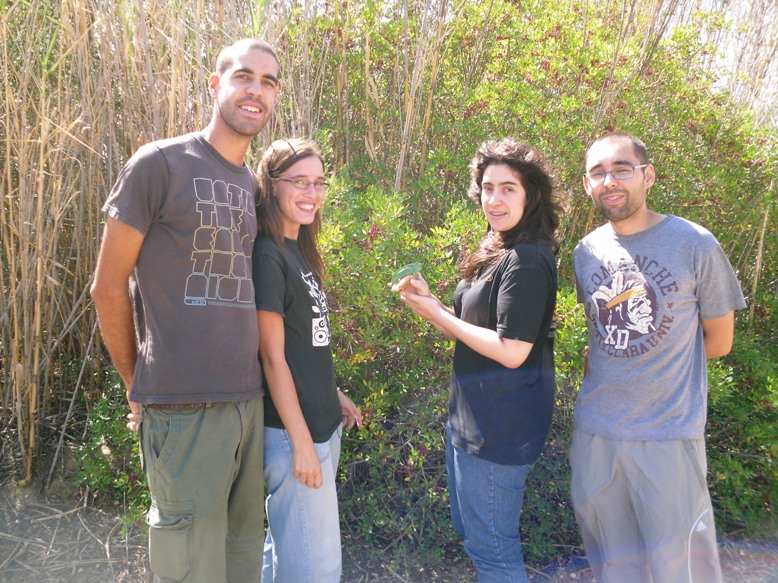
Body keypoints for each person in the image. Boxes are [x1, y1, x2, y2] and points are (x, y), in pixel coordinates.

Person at [90, 39, 280, 583]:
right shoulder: (160, 164)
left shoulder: (251, 186)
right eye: (243, 76)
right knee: (192, 571)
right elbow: (107, 286)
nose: (256, 91)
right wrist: (137, 384)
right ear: (215, 84)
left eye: (268, 82)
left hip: (248, 405)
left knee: (241, 562)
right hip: (183, 411)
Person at [571, 132, 747, 583]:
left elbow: (719, 341)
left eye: (622, 169)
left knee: (682, 568)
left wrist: (658, 366)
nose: (610, 181)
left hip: (667, 435)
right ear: (587, 184)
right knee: (613, 565)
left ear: (647, 175)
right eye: (597, 173)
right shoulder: (586, 252)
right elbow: (600, 338)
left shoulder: (695, 243)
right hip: (596, 434)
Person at [391, 138, 561, 582]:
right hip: (471, 422)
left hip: (500, 431)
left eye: (508, 188)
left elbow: (512, 350)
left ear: (531, 195)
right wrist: (433, 305)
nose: (494, 199)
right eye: (487, 188)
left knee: (493, 553)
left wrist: (437, 315)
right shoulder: (498, 247)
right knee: (479, 540)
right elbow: (473, 331)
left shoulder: (527, 259)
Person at [252, 138, 363, 583]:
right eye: (299, 181)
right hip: (293, 432)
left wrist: (331, 393)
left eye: (318, 182)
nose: (312, 193)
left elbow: (305, 343)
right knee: (315, 569)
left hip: (319, 424)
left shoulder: (297, 248)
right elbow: (271, 357)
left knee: (289, 550)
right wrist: (300, 442)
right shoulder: (268, 254)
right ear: (272, 184)